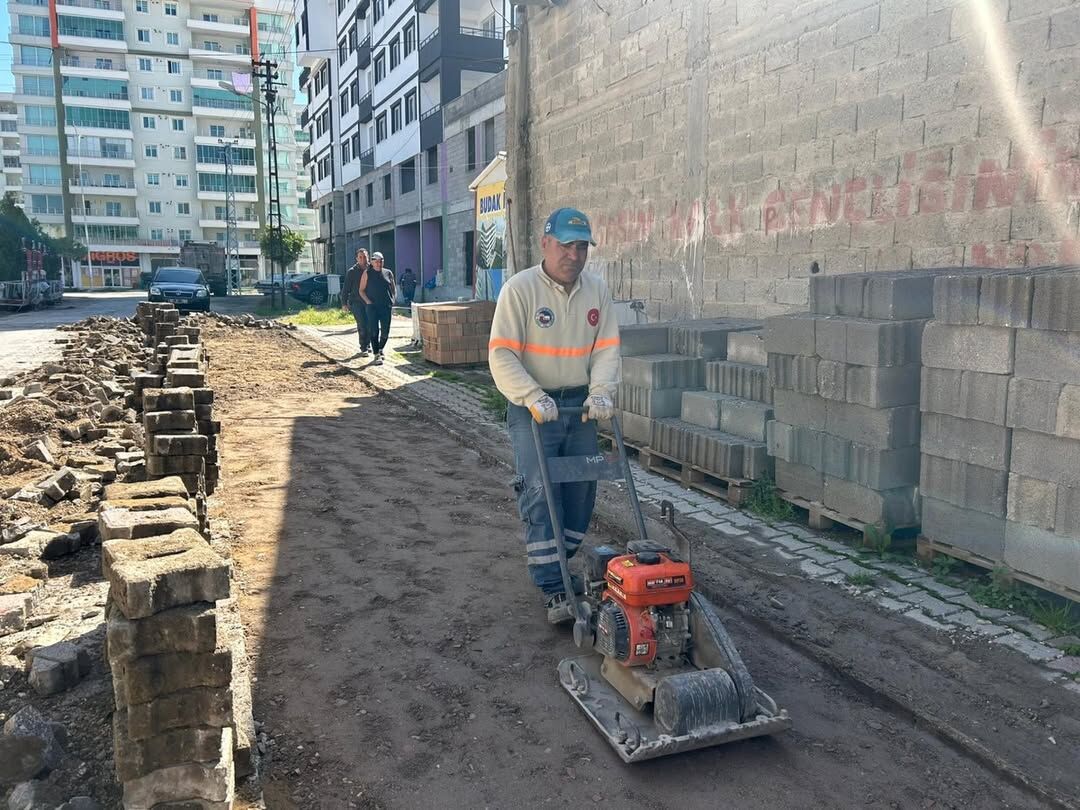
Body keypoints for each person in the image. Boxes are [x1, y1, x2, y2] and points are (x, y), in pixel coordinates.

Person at [488, 208, 620, 624]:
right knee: (541, 490)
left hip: (579, 406)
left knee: (581, 490)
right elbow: (502, 353)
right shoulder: (520, 290)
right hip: (533, 409)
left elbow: (606, 349)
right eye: (566, 245)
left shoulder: (596, 291)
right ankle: (552, 586)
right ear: (545, 243)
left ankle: (562, 563)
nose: (574, 255)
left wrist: (600, 392)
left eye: (582, 247)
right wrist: (532, 395)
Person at [359, 251, 396, 365]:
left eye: (381, 261)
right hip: (372, 307)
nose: (379, 264)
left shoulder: (388, 273)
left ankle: (380, 348)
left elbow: (393, 288)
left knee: (385, 332)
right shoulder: (367, 273)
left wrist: (393, 300)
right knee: (374, 331)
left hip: (385, 306)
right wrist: (368, 301)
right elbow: (361, 290)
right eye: (376, 262)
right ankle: (376, 355)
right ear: (372, 262)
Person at [341, 248, 371, 357]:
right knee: (362, 323)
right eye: (360, 257)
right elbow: (345, 289)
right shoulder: (352, 272)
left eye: (365, 257)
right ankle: (364, 347)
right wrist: (344, 303)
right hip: (356, 302)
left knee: (370, 324)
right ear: (357, 258)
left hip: (369, 302)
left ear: (368, 257)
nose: (363, 259)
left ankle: (368, 344)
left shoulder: (372, 269)